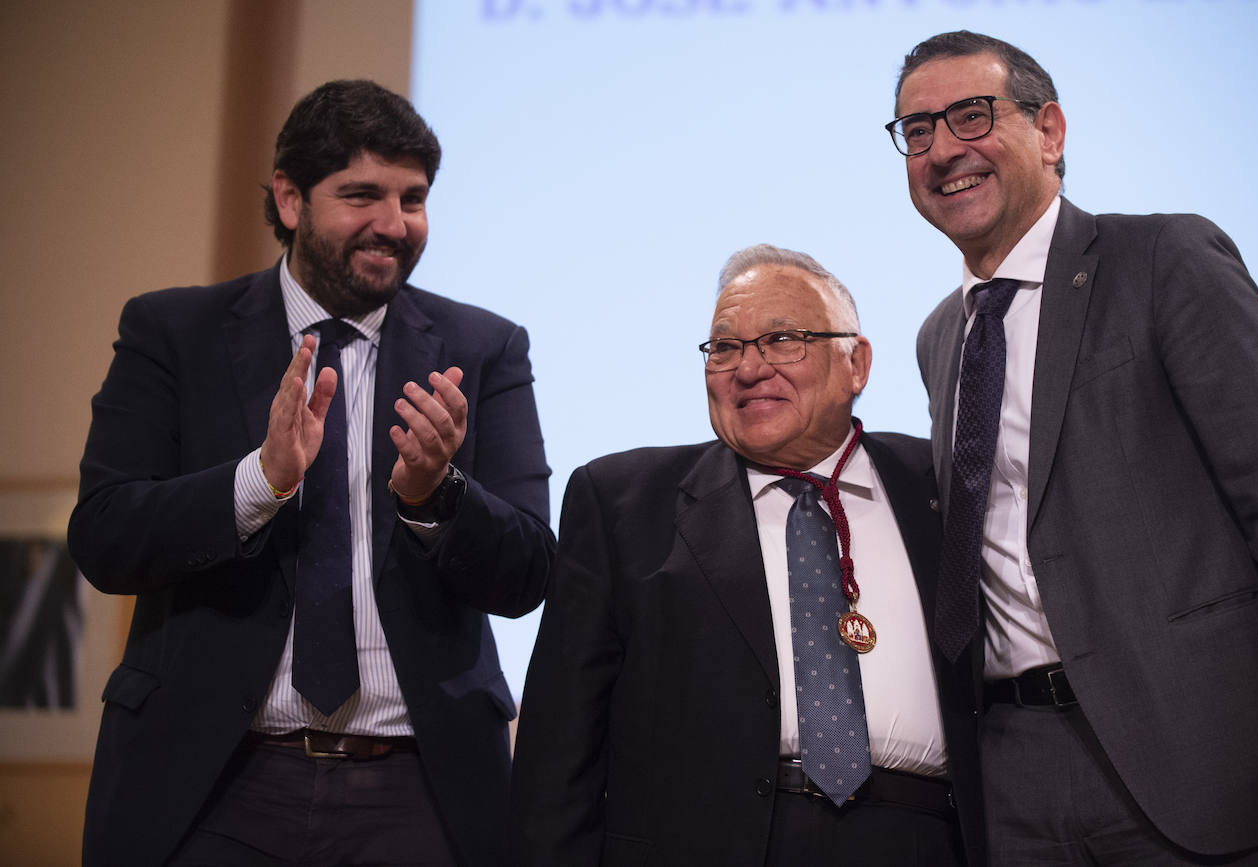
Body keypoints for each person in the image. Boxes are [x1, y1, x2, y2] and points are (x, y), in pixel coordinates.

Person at [888, 29, 1258, 863]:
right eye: (917, 130)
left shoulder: (1164, 259)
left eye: (971, 116)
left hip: (1198, 755)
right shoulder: (941, 337)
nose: (942, 150)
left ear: (1051, 131)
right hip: (1012, 778)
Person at [68, 79, 555, 866]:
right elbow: (105, 536)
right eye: (362, 194)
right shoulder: (171, 331)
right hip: (213, 783)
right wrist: (258, 481)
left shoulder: (484, 347)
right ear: (290, 199)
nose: (394, 225)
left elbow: (528, 570)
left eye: (414, 198)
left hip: (417, 790)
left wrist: (438, 497)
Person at [511, 245, 985, 866]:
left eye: (783, 339)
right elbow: (557, 754)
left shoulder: (942, 486)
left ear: (857, 363)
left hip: (924, 839)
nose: (749, 368)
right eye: (725, 347)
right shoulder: (624, 503)